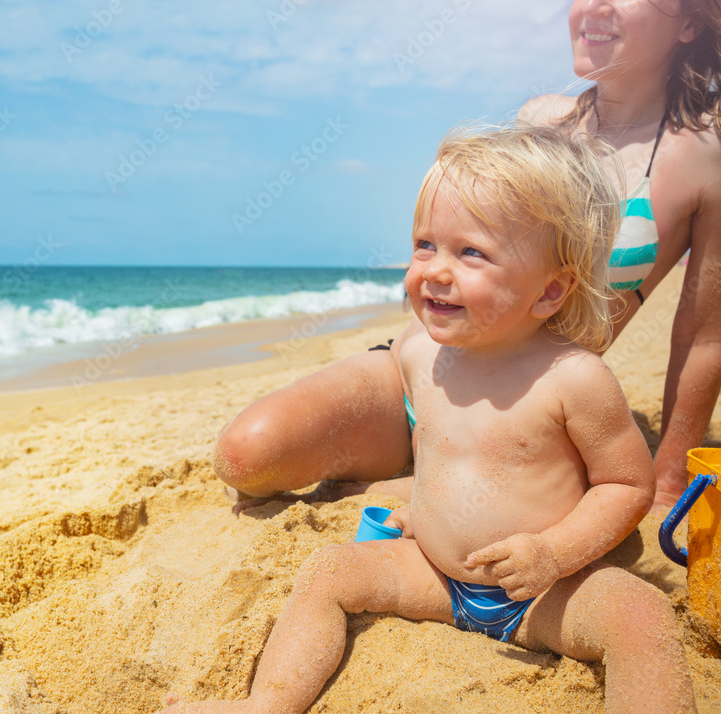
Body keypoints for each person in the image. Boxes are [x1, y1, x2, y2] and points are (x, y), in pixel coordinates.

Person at [165, 126, 696, 713]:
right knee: (330, 571)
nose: (436, 271)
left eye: (471, 253)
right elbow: (453, 453)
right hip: (439, 579)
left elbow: (626, 485)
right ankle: (264, 705)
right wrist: (423, 509)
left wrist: (553, 552)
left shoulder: (573, 379)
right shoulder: (421, 354)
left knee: (639, 616)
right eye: (425, 245)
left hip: (544, 592)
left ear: (549, 290)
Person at [214, 0, 721, 514]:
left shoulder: (701, 158)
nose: (593, 6)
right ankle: (414, 463)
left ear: (690, 21)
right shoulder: (541, 120)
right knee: (247, 456)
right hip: (422, 377)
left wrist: (669, 483)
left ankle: (422, 480)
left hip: (533, 418)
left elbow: (704, 337)